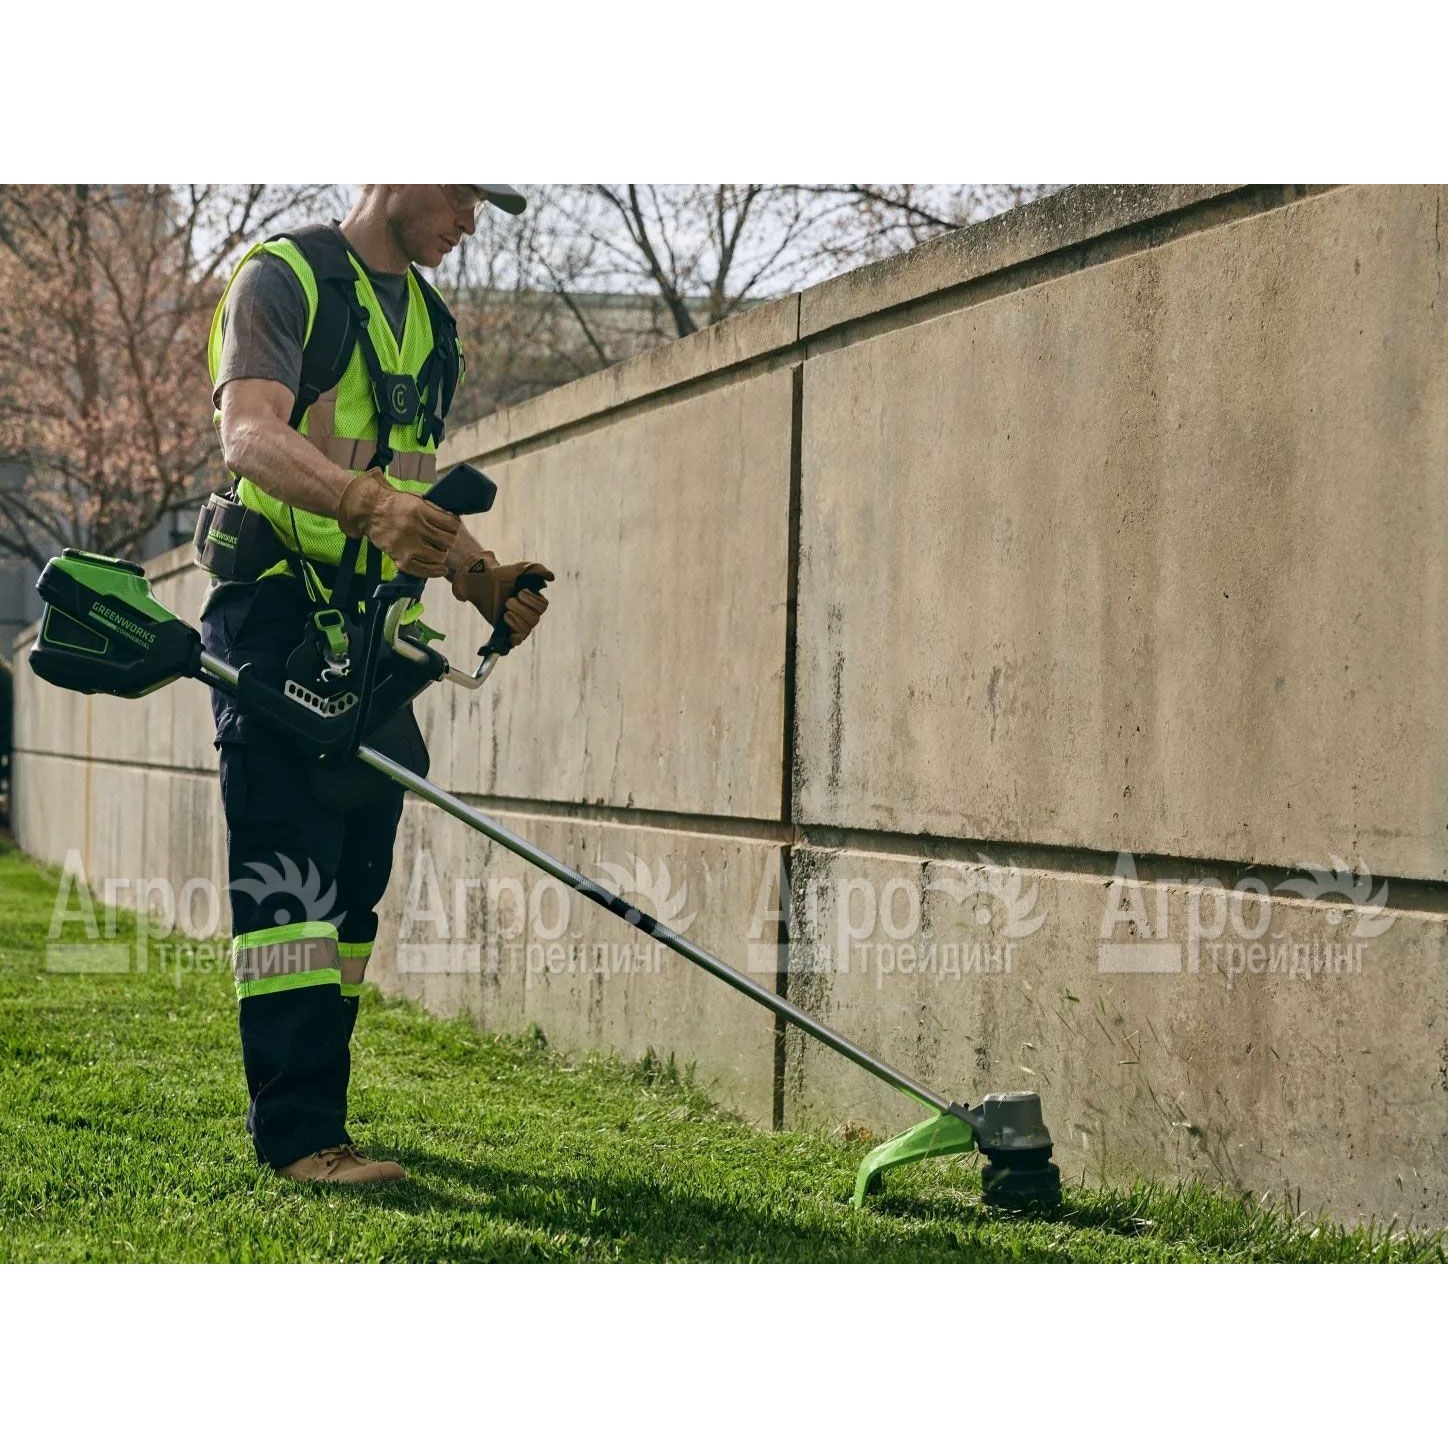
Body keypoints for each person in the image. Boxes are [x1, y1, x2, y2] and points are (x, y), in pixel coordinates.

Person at [201, 185, 553, 1184]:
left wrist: (481, 577)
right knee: (293, 887)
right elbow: (249, 434)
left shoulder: (429, 324)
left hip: (371, 637)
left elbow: (408, 485)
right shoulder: (286, 278)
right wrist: (363, 505)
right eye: (462, 190)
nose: (471, 219)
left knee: (353, 890)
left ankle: (323, 1112)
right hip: (274, 620)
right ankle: (299, 1135)